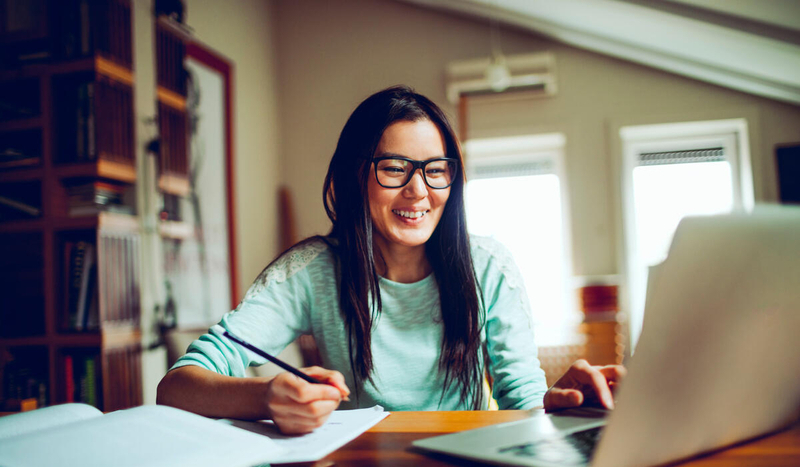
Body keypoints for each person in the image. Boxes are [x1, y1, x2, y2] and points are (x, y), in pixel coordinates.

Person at [157, 86, 625, 434]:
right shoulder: (311, 271)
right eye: (395, 168)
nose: (418, 190)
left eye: (435, 169)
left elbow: (522, 403)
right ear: (356, 174)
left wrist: (563, 402)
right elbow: (176, 387)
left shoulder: (489, 267)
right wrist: (265, 395)